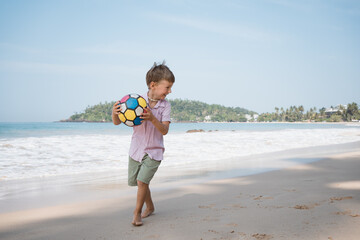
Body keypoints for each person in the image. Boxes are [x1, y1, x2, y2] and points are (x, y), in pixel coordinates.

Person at [112, 62, 175, 226]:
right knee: (137, 181)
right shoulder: (136, 100)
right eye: (167, 87)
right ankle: (151, 206)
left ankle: (137, 213)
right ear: (153, 85)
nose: (169, 91)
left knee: (142, 182)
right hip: (136, 149)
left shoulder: (165, 106)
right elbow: (117, 123)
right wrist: (115, 114)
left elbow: (164, 130)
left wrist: (153, 118)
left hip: (154, 151)